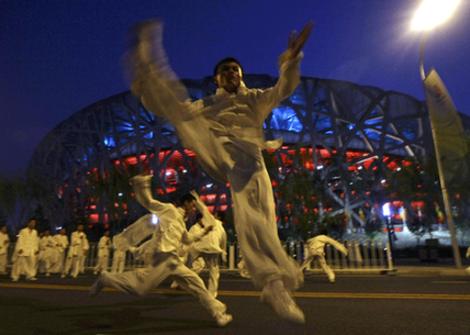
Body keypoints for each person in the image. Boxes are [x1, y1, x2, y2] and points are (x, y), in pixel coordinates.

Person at [126, 19, 313, 324]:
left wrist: (291, 60)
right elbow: (176, 110)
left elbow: (283, 89)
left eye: (235, 70)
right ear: (217, 78)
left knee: (260, 219)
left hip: (250, 161)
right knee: (181, 110)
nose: (231, 74)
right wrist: (148, 80)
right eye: (225, 70)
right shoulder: (210, 103)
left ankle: (273, 285)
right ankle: (147, 62)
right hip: (219, 151)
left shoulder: (255, 98)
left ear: (241, 76)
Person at [90, 175, 233, 327]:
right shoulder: (169, 210)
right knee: (140, 289)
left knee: (197, 283)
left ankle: (218, 314)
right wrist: (142, 184)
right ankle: (106, 279)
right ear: (186, 203)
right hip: (163, 260)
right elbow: (149, 202)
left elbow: (188, 239)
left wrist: (204, 232)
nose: (193, 209)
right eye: (192, 205)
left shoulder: (182, 223)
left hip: (174, 261)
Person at [186, 190, 227, 298]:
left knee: (186, 263)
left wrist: (196, 198)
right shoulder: (222, 228)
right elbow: (223, 241)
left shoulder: (211, 220)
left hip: (200, 247)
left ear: (217, 216)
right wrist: (223, 253)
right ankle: (212, 295)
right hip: (213, 249)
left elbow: (203, 208)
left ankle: (178, 281)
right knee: (214, 273)